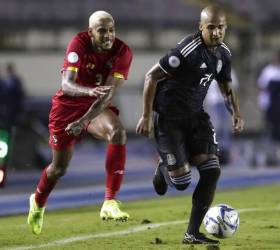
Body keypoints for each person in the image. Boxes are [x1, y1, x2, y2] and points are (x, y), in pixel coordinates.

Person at [136, 5, 244, 245]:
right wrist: (145, 115)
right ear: (201, 27)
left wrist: (236, 113)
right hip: (169, 118)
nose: (216, 32)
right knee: (182, 182)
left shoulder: (224, 53)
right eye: (211, 27)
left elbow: (226, 87)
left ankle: (192, 233)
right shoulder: (187, 50)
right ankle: (165, 169)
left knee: (213, 170)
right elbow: (151, 77)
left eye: (220, 27)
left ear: (226, 28)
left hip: (196, 116)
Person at [27, 10, 133, 235]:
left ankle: (109, 202)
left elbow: (107, 96)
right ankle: (37, 202)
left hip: (97, 106)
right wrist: (89, 92)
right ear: (91, 32)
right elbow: (67, 85)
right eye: (102, 31)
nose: (108, 36)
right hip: (67, 108)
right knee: (59, 169)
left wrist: (84, 121)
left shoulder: (122, 52)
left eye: (111, 30)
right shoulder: (78, 43)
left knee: (117, 132)